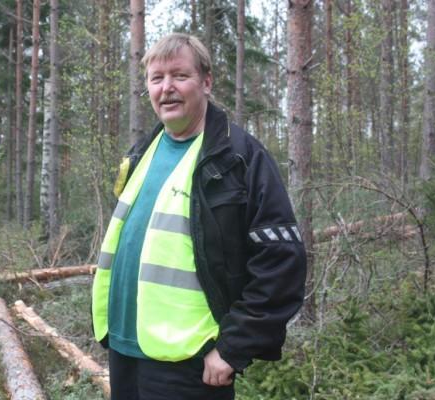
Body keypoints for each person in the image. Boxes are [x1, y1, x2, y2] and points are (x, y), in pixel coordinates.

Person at [92, 33, 306, 400]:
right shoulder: (141, 153)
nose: (167, 88)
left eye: (179, 76)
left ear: (206, 82)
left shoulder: (239, 158)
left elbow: (282, 261)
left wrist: (233, 346)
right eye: (157, 78)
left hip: (189, 362)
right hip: (124, 348)